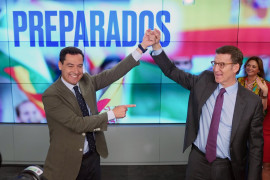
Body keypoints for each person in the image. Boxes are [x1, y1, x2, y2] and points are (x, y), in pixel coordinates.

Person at [148, 28, 264, 180]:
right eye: (214, 63)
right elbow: (171, 71)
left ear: (235, 67)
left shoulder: (251, 102)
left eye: (222, 65)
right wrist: (156, 46)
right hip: (198, 160)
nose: (216, 69)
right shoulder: (204, 80)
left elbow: (256, 148)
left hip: (227, 167)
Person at [42, 34, 153, 180]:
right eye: (70, 65)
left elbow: (114, 73)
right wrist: (111, 114)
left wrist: (141, 47)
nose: (76, 71)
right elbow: (77, 124)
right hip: (67, 163)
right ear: (60, 65)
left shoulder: (86, 81)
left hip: (92, 157)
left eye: (80, 66)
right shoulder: (52, 95)